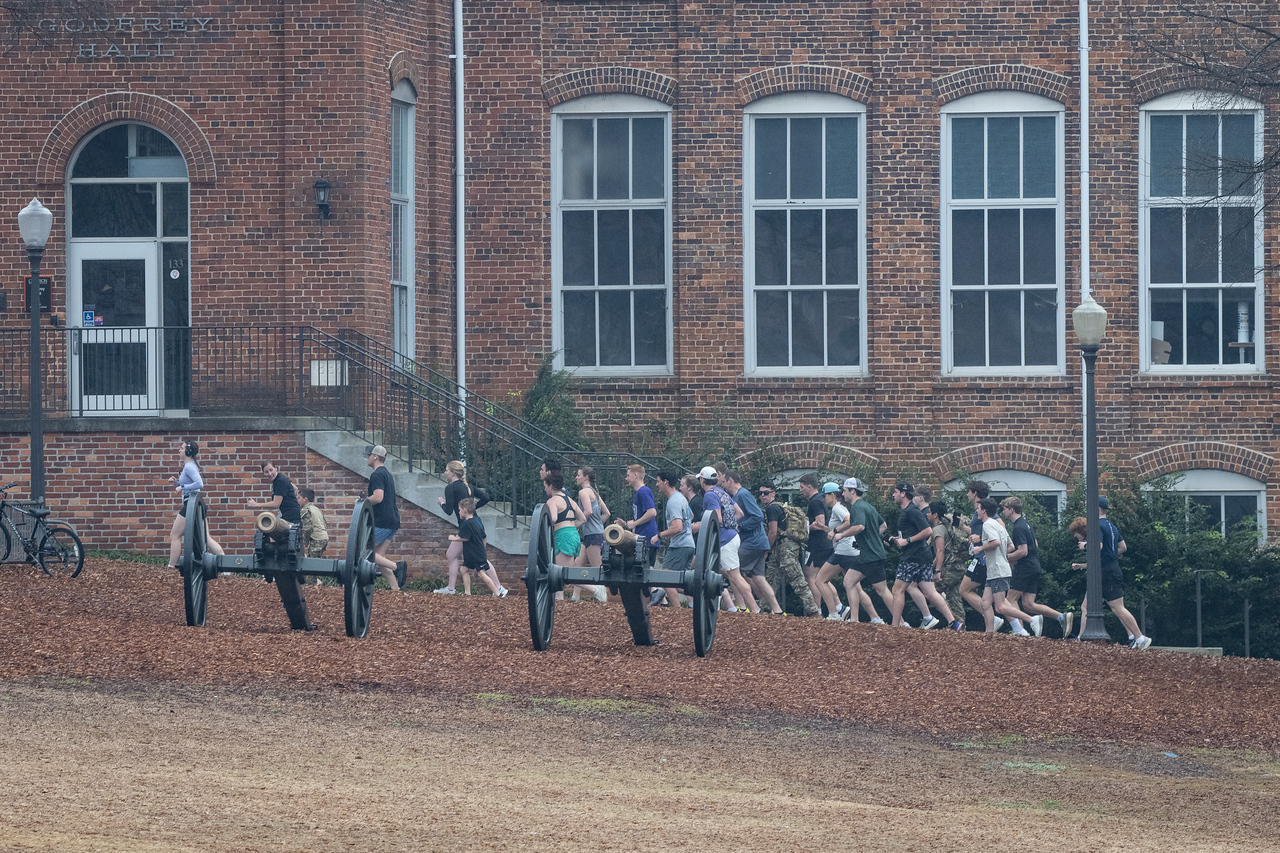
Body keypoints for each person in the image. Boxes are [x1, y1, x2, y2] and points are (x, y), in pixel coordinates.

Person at [1069, 498, 1152, 648]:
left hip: (1106, 573)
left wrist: (1085, 545)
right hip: (1109, 570)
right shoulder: (1112, 526)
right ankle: (1131, 636)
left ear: (1097, 510)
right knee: (1089, 606)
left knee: (1117, 607)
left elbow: (1098, 546)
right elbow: (1123, 547)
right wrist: (1110, 556)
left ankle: (1140, 638)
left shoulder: (1098, 526)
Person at [888, 482, 958, 630]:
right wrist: (899, 539)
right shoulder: (908, 510)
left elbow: (928, 531)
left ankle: (895, 627)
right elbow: (915, 532)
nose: (893, 495)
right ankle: (954, 623)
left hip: (913, 557)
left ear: (903, 493)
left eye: (895, 492)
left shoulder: (912, 511)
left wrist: (907, 541)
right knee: (929, 592)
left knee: (897, 589)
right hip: (922, 556)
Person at [1002, 497, 1073, 638]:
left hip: (1025, 568)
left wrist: (1006, 557)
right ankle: (1061, 617)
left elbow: (1023, 551)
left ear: (1011, 509)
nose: (1003, 511)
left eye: (1004, 508)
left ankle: (1020, 633)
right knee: (1028, 604)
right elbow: (1035, 544)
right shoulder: (1026, 524)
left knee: (1009, 600)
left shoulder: (1018, 527)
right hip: (1034, 566)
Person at [723, 470, 784, 614]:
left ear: (730, 480)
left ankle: (741, 607)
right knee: (759, 578)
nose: (723, 485)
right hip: (759, 543)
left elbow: (757, 515)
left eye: (724, 482)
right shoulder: (738, 495)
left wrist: (740, 526)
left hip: (752, 543)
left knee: (730, 570)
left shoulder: (742, 494)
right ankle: (778, 610)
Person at [973, 498, 1037, 635]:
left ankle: (1032, 620)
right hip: (996, 569)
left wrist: (981, 549)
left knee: (1000, 607)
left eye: (978, 508)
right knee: (985, 603)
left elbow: (995, 542)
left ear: (984, 510)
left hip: (997, 570)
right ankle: (989, 634)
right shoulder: (999, 525)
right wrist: (993, 554)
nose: (977, 510)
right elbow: (1011, 546)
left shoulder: (987, 525)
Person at [698, 466, 756, 613]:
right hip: (733, 535)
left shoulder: (709, 495)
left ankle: (756, 610)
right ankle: (716, 608)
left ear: (703, 480)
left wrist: (700, 526)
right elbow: (740, 513)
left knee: (735, 576)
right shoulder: (722, 492)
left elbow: (716, 518)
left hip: (724, 540)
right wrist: (729, 524)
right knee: (720, 572)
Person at [761, 483, 819, 617]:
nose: (763, 496)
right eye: (761, 493)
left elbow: (773, 532)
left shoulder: (772, 509)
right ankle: (765, 608)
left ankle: (814, 611)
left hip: (785, 549)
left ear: (773, 493)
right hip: (783, 547)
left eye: (766, 492)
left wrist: (766, 550)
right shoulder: (778, 507)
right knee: (771, 578)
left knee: (797, 578)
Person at [165, 440, 225, 570]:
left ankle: (170, 567)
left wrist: (182, 487)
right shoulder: (189, 466)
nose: (179, 451)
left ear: (187, 452)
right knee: (206, 538)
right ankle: (222, 560)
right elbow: (189, 485)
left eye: (181, 448)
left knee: (174, 536)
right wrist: (176, 483)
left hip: (191, 505)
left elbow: (199, 484)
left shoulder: (189, 467)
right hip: (197, 505)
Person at [436, 460, 490, 595]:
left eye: (447, 470)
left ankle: (498, 588)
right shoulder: (468, 486)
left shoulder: (451, 488)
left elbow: (448, 510)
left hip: (467, 526)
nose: (445, 473)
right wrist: (473, 508)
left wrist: (441, 503)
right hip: (476, 522)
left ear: (453, 473)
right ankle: (451, 588)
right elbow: (486, 497)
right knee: (475, 556)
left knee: (480, 558)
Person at [364, 445, 407, 591]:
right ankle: (395, 589)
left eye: (369, 455)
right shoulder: (387, 474)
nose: (367, 458)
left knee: (366, 552)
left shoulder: (376, 475)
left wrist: (363, 502)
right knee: (379, 556)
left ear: (375, 457)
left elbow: (378, 497)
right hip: (392, 521)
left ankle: (397, 567)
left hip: (382, 521)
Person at [650, 471, 694, 608]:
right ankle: (700, 593)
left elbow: (677, 527)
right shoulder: (681, 498)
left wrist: (660, 535)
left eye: (658, 481)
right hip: (689, 544)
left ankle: (677, 612)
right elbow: (690, 516)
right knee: (680, 582)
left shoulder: (673, 501)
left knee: (666, 578)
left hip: (680, 546)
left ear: (665, 482)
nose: (657, 484)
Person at [798, 473, 838, 615]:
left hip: (817, 545)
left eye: (802, 487)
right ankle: (839, 607)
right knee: (822, 578)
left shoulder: (815, 502)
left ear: (810, 486)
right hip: (823, 544)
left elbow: (820, 523)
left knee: (811, 578)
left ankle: (817, 610)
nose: (800, 490)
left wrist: (804, 527)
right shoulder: (819, 500)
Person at [449, 498, 506, 596]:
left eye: (459, 510)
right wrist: (482, 548)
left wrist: (453, 538)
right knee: (463, 570)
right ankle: (467, 593)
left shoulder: (466, 524)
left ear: (465, 510)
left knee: (482, 574)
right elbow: (484, 536)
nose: (458, 512)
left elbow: (465, 538)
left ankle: (497, 593)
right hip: (473, 553)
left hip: (475, 554)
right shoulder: (477, 521)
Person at [543, 470, 586, 598]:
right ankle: (559, 600)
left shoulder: (552, 501)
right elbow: (583, 519)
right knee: (560, 572)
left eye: (545, 486)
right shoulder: (570, 500)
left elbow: (554, 518)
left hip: (563, 536)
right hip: (573, 535)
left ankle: (595, 588)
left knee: (563, 573)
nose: (545, 489)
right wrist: (570, 528)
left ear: (550, 486)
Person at [570, 466, 610, 603]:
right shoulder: (594, 492)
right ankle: (575, 597)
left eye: (578, 475)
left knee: (598, 570)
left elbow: (588, 512)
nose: (576, 477)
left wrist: (574, 526)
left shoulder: (583, 492)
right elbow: (607, 513)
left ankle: (603, 600)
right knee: (576, 567)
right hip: (592, 535)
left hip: (593, 536)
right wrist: (597, 525)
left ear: (585, 477)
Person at [927, 501, 969, 629]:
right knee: (954, 597)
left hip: (949, 568)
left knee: (929, 592)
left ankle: (954, 621)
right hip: (959, 567)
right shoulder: (947, 527)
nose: (927, 514)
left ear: (935, 515)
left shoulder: (938, 529)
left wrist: (937, 570)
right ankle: (961, 627)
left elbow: (941, 551)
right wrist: (931, 566)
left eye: (929, 512)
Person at [622, 464, 660, 568]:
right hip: (643, 539)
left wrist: (634, 523)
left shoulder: (643, 492)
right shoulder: (640, 492)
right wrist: (626, 524)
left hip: (647, 539)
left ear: (635, 475)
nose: (626, 478)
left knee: (647, 572)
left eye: (628, 475)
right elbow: (643, 515)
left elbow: (652, 512)